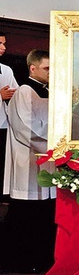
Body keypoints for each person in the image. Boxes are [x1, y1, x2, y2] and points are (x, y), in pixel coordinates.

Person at [4, 50, 54, 273]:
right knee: (28, 212)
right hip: (30, 160)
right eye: (47, 69)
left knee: (44, 212)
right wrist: (54, 146)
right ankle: (21, 260)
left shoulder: (49, 91)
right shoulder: (24, 91)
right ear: (32, 68)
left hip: (48, 160)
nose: (51, 73)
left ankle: (42, 258)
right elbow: (27, 127)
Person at [0, 33, 19, 199]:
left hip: (3, 124)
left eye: (4, 44)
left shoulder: (6, 70)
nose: (3, 48)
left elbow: (16, 93)